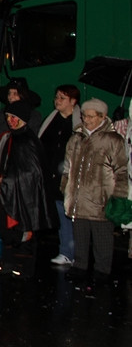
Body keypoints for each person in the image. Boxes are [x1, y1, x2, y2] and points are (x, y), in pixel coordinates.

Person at [0, 100, 57, 276]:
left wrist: (11, 179)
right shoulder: (7, 138)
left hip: (24, 195)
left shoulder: (29, 141)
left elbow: (34, 171)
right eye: (7, 117)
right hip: (6, 192)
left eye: (13, 117)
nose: (10, 120)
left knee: (23, 229)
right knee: (7, 229)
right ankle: (8, 262)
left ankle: (24, 266)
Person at [61, 98, 127, 287]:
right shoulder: (76, 137)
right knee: (80, 234)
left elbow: (121, 170)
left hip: (101, 199)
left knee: (102, 237)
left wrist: (119, 197)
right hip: (78, 197)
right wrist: (65, 187)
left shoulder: (112, 140)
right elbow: (67, 166)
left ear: (102, 117)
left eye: (90, 116)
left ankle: (102, 270)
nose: (86, 120)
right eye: (84, 115)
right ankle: (80, 266)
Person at [38, 85, 81, 267]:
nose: (57, 101)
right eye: (56, 97)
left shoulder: (78, 124)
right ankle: (66, 251)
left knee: (71, 217)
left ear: (73, 101)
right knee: (61, 216)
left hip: (69, 178)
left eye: (62, 98)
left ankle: (71, 252)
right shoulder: (52, 120)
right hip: (52, 177)